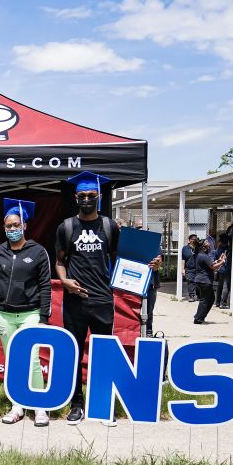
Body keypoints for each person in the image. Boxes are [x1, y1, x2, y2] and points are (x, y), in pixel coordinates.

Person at [55, 171, 161, 425]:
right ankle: (76, 403)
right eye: (82, 196)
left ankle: (102, 404)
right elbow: (60, 261)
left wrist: (150, 264)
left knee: (104, 353)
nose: (87, 199)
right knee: (74, 352)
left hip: (102, 299)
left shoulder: (109, 226)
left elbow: (126, 259)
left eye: (92, 195)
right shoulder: (66, 227)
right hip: (75, 301)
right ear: (76, 197)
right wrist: (64, 280)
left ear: (100, 197)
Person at [0, 199, 51, 427]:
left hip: (30, 314)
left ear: (25, 226)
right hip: (4, 315)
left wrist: (43, 317)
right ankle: (17, 406)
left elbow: (45, 286)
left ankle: (39, 406)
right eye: (8, 226)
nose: (12, 229)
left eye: (16, 225)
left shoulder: (38, 251)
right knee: (12, 360)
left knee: (31, 359)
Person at [189, 238, 227, 324]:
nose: (210, 247)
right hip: (204, 280)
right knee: (205, 300)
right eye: (208, 245)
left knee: (211, 299)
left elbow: (211, 264)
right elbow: (213, 267)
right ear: (203, 247)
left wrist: (219, 260)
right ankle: (198, 318)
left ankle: (201, 316)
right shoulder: (203, 256)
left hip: (202, 280)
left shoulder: (200, 255)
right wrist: (223, 262)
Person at [180, 234, 199, 302]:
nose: (194, 240)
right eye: (193, 239)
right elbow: (183, 259)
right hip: (189, 268)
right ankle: (192, 296)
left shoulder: (198, 247)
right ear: (189, 240)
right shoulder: (185, 248)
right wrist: (183, 269)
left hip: (198, 268)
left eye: (195, 239)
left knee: (198, 282)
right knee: (190, 282)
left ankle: (199, 295)